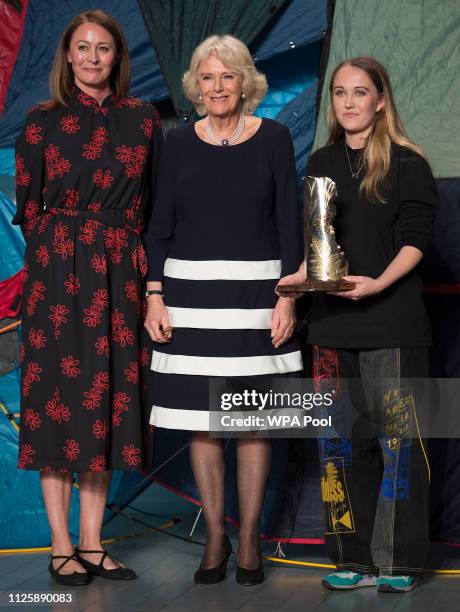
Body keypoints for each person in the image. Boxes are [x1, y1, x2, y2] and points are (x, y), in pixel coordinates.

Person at [144, 35, 303, 586]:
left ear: (245, 82)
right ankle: (215, 535)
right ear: (195, 84)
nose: (216, 87)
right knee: (204, 426)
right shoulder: (178, 142)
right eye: (206, 78)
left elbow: (290, 222)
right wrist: (154, 294)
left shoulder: (276, 138)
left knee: (252, 421)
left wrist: (288, 297)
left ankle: (251, 536)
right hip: (188, 302)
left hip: (259, 299)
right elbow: (159, 223)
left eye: (227, 77)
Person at [13, 10, 162, 585]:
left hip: (122, 270)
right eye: (83, 47)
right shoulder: (40, 121)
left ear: (117, 57)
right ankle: (60, 545)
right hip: (56, 274)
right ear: (68, 56)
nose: (93, 57)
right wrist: (70, 246)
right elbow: (28, 208)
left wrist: (120, 259)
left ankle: (94, 543)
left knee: (108, 409)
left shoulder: (144, 119)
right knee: (56, 406)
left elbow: (151, 206)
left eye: (104, 48)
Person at [279, 57, 437, 593]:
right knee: (339, 449)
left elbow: (416, 239)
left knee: (398, 447)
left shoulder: (407, 163)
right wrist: (298, 279)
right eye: (340, 93)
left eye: (360, 92)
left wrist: (378, 283)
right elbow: (319, 243)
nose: (349, 102)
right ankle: (352, 558)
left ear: (381, 101)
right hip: (330, 330)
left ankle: (397, 562)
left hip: (392, 325)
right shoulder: (321, 161)